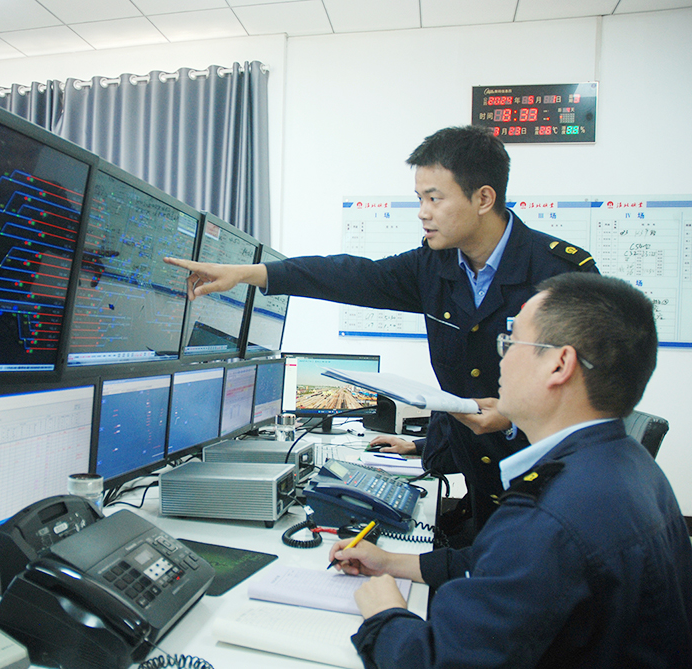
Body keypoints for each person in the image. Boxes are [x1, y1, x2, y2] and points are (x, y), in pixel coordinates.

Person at [165, 125, 597, 542]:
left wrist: (515, 416)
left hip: (552, 493)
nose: (423, 212)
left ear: (483, 198)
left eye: (435, 198)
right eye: (420, 198)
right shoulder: (436, 266)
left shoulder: (561, 273)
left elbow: (594, 395)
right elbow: (350, 275)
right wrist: (248, 273)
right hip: (482, 487)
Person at [327, 273, 692, 668]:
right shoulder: (625, 462)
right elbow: (501, 566)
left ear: (559, 365)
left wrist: (384, 614)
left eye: (512, 342)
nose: (500, 357)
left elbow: (436, 662)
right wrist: (390, 562)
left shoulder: (550, 515)